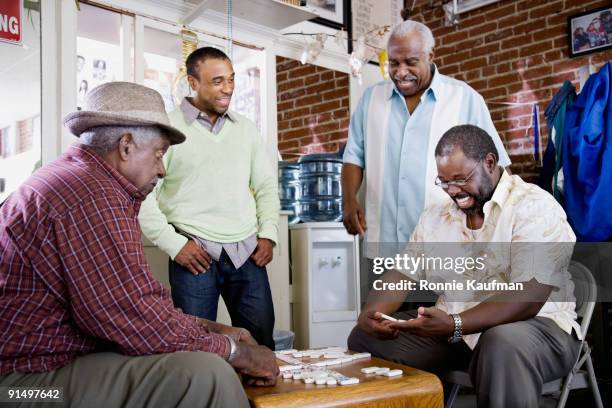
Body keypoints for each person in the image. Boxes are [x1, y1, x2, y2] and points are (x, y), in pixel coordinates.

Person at [0, 82, 278, 407]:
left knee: (199, 361)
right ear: (127, 145)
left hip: (45, 364)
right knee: (205, 375)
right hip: (19, 385)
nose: (161, 168)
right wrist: (236, 352)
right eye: (159, 153)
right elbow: (136, 321)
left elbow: (138, 306)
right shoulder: (91, 196)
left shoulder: (82, 180)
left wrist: (212, 330)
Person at [348, 124, 581, 407]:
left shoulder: (534, 207)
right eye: (444, 181)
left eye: (460, 178)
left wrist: (456, 324)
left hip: (535, 331)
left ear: (490, 163)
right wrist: (372, 314)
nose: (453, 191)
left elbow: (529, 295)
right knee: (365, 338)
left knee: (501, 343)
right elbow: (402, 272)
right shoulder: (436, 216)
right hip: (456, 333)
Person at [138, 47, 279, 349]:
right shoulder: (167, 129)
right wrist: (176, 246)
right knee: (195, 348)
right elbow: (143, 197)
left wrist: (268, 234)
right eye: (217, 81)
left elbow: (266, 185)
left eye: (231, 79)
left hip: (248, 253)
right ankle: (212, 398)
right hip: (195, 255)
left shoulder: (246, 129)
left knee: (262, 342)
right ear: (192, 82)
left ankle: (258, 398)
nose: (227, 88)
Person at [342, 20, 510, 260]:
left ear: (431, 55)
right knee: (381, 298)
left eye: (411, 62)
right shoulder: (370, 100)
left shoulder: (465, 99)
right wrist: (348, 200)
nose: (400, 72)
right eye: (394, 63)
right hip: (384, 246)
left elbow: (499, 169)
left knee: (443, 300)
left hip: (446, 245)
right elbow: (353, 156)